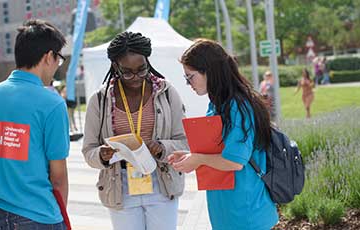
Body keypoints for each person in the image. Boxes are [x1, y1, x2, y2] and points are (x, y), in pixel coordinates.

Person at [82, 31, 188, 230]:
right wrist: (102, 155)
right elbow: (88, 150)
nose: (136, 78)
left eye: (142, 69)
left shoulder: (167, 93)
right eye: (127, 72)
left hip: (161, 181)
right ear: (115, 66)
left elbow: (185, 142)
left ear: (148, 61)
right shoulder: (100, 99)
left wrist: (162, 147)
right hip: (119, 185)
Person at [169, 39, 278, 230]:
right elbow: (219, 151)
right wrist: (191, 157)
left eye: (190, 77)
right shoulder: (220, 104)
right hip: (230, 209)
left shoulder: (236, 105)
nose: (188, 84)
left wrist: (197, 159)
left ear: (209, 71)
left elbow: (234, 161)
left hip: (245, 213)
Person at [0, 19, 70, 229]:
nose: (56, 66)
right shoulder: (51, 104)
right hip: (38, 216)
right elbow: (58, 177)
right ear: (48, 57)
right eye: (58, 59)